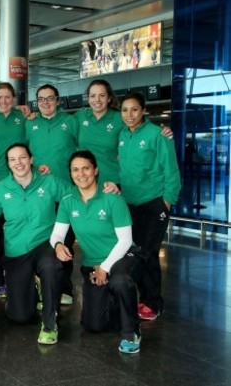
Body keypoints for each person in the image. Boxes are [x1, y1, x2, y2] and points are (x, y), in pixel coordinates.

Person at [51, 150, 142, 354]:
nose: (81, 174)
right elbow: (57, 234)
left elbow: (126, 240)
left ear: (96, 170)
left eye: (86, 168)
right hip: (92, 263)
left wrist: (105, 268)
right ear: (70, 173)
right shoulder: (68, 200)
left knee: (120, 281)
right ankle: (116, 303)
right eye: (75, 170)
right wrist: (58, 245)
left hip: (123, 257)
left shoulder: (112, 198)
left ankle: (131, 332)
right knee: (94, 325)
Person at [0, 143, 66, 345]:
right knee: (20, 317)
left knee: (51, 266)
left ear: (31, 159)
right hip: (16, 250)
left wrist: (107, 189)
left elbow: (76, 195)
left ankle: (50, 325)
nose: (19, 163)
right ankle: (34, 287)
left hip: (45, 243)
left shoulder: (49, 181)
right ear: (7, 164)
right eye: (13, 159)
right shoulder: (0, 189)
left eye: (23, 157)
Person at [119, 91, 181, 321]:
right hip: (130, 204)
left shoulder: (159, 135)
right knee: (135, 250)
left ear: (144, 110)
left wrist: (166, 203)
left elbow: (172, 172)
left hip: (154, 204)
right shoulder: (123, 135)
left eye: (134, 109)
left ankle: (152, 303)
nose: (130, 114)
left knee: (148, 253)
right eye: (125, 110)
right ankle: (141, 297)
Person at [26, 84, 79, 305]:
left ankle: (64, 286)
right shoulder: (30, 124)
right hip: (39, 193)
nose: (45, 102)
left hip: (65, 193)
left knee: (65, 240)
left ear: (58, 101)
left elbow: (87, 147)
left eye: (50, 98)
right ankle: (38, 285)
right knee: (40, 239)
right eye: (41, 99)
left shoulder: (71, 122)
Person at [0, 82, 27, 299]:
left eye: (7, 97)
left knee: (18, 232)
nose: (3, 101)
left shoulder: (23, 118)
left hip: (19, 181)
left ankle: (21, 277)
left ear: (14, 99)